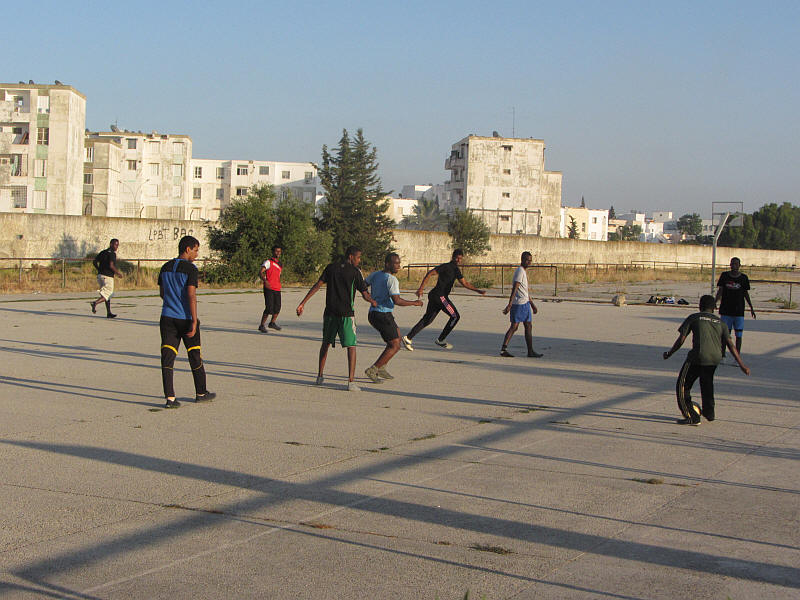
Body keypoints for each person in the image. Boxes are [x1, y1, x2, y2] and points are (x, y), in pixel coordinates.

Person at [296, 246, 376, 391]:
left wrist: (303, 303)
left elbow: (317, 285)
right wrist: (373, 301)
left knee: (325, 344)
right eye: (358, 257)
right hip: (346, 315)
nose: (359, 260)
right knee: (351, 346)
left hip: (330, 313)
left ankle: (320, 376)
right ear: (351, 256)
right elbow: (364, 293)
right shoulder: (355, 272)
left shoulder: (331, 267)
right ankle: (351, 382)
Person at [663, 294, 749, 425]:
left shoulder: (694, 317)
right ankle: (709, 412)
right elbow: (731, 345)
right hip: (715, 358)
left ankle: (692, 416)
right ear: (714, 308)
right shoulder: (721, 323)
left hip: (697, 357)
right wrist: (742, 364)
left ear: (700, 306)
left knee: (683, 385)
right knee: (707, 384)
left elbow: (681, 340)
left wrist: (670, 353)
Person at [158, 235, 216, 409]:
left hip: (167, 318)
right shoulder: (190, 269)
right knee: (194, 354)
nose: (197, 254)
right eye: (196, 250)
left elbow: (162, 293)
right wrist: (194, 320)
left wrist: (172, 302)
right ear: (187, 249)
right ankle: (201, 393)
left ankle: (170, 398)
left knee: (167, 358)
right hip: (185, 318)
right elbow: (191, 295)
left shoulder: (165, 267)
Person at [402, 249, 486, 350]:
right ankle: (441, 339)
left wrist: (477, 290)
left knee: (427, 319)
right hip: (440, 296)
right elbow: (430, 273)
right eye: (457, 258)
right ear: (453, 257)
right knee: (455, 316)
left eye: (460, 259)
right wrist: (421, 288)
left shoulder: (456, 270)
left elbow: (465, 283)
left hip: (435, 296)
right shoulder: (446, 266)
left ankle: (408, 338)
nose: (458, 260)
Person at [363, 253, 423, 383]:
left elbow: (362, 286)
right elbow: (397, 300)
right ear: (387, 264)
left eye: (399, 263)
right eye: (396, 263)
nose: (398, 266)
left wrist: (368, 297)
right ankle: (373, 369)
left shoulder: (375, 274)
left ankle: (382, 367)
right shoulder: (391, 280)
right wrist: (414, 303)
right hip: (382, 315)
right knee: (395, 345)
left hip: (375, 314)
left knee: (397, 339)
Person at [500, 251, 543, 357]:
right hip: (519, 304)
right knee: (514, 327)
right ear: (522, 260)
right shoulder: (520, 271)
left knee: (528, 326)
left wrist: (532, 304)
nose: (529, 262)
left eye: (530, 260)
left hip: (525, 303)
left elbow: (524, 291)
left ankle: (530, 351)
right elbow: (515, 288)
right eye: (527, 260)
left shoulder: (523, 271)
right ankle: (504, 349)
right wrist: (509, 304)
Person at [715, 257, 756, 357]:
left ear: (739, 265)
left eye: (736, 264)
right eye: (732, 264)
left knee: (739, 335)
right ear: (730, 265)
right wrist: (714, 302)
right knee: (725, 335)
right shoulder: (724, 276)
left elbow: (745, 293)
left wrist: (751, 307)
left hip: (738, 311)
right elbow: (720, 291)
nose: (733, 266)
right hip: (726, 310)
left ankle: (737, 356)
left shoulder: (743, 278)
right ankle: (722, 355)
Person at [90, 239, 124, 318]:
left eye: (117, 245)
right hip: (108, 277)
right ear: (111, 244)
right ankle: (95, 303)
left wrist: (99, 269)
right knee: (108, 293)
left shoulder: (103, 252)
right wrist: (118, 273)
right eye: (115, 245)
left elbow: (94, 262)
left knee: (106, 294)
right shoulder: (112, 254)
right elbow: (111, 265)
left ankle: (109, 313)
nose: (116, 247)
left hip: (100, 276)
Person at [258, 245, 283, 333]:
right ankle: (262, 325)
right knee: (269, 307)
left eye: (279, 251)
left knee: (278, 307)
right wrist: (265, 281)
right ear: (273, 252)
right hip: (269, 288)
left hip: (277, 288)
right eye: (276, 251)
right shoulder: (268, 262)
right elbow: (261, 272)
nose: (278, 253)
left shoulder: (280, 264)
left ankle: (272, 323)